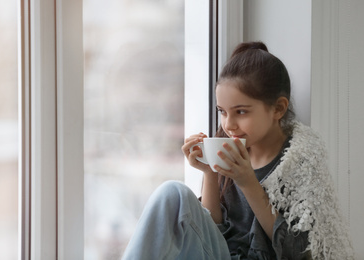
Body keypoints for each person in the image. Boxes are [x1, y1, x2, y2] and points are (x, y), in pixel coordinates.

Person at [122, 42, 354, 259]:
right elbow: (214, 231)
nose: (228, 124)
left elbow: (299, 251)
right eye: (222, 111)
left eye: (241, 112)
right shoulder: (230, 146)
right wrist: (210, 173)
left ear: (278, 109)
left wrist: (248, 183)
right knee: (173, 193)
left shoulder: (300, 161)